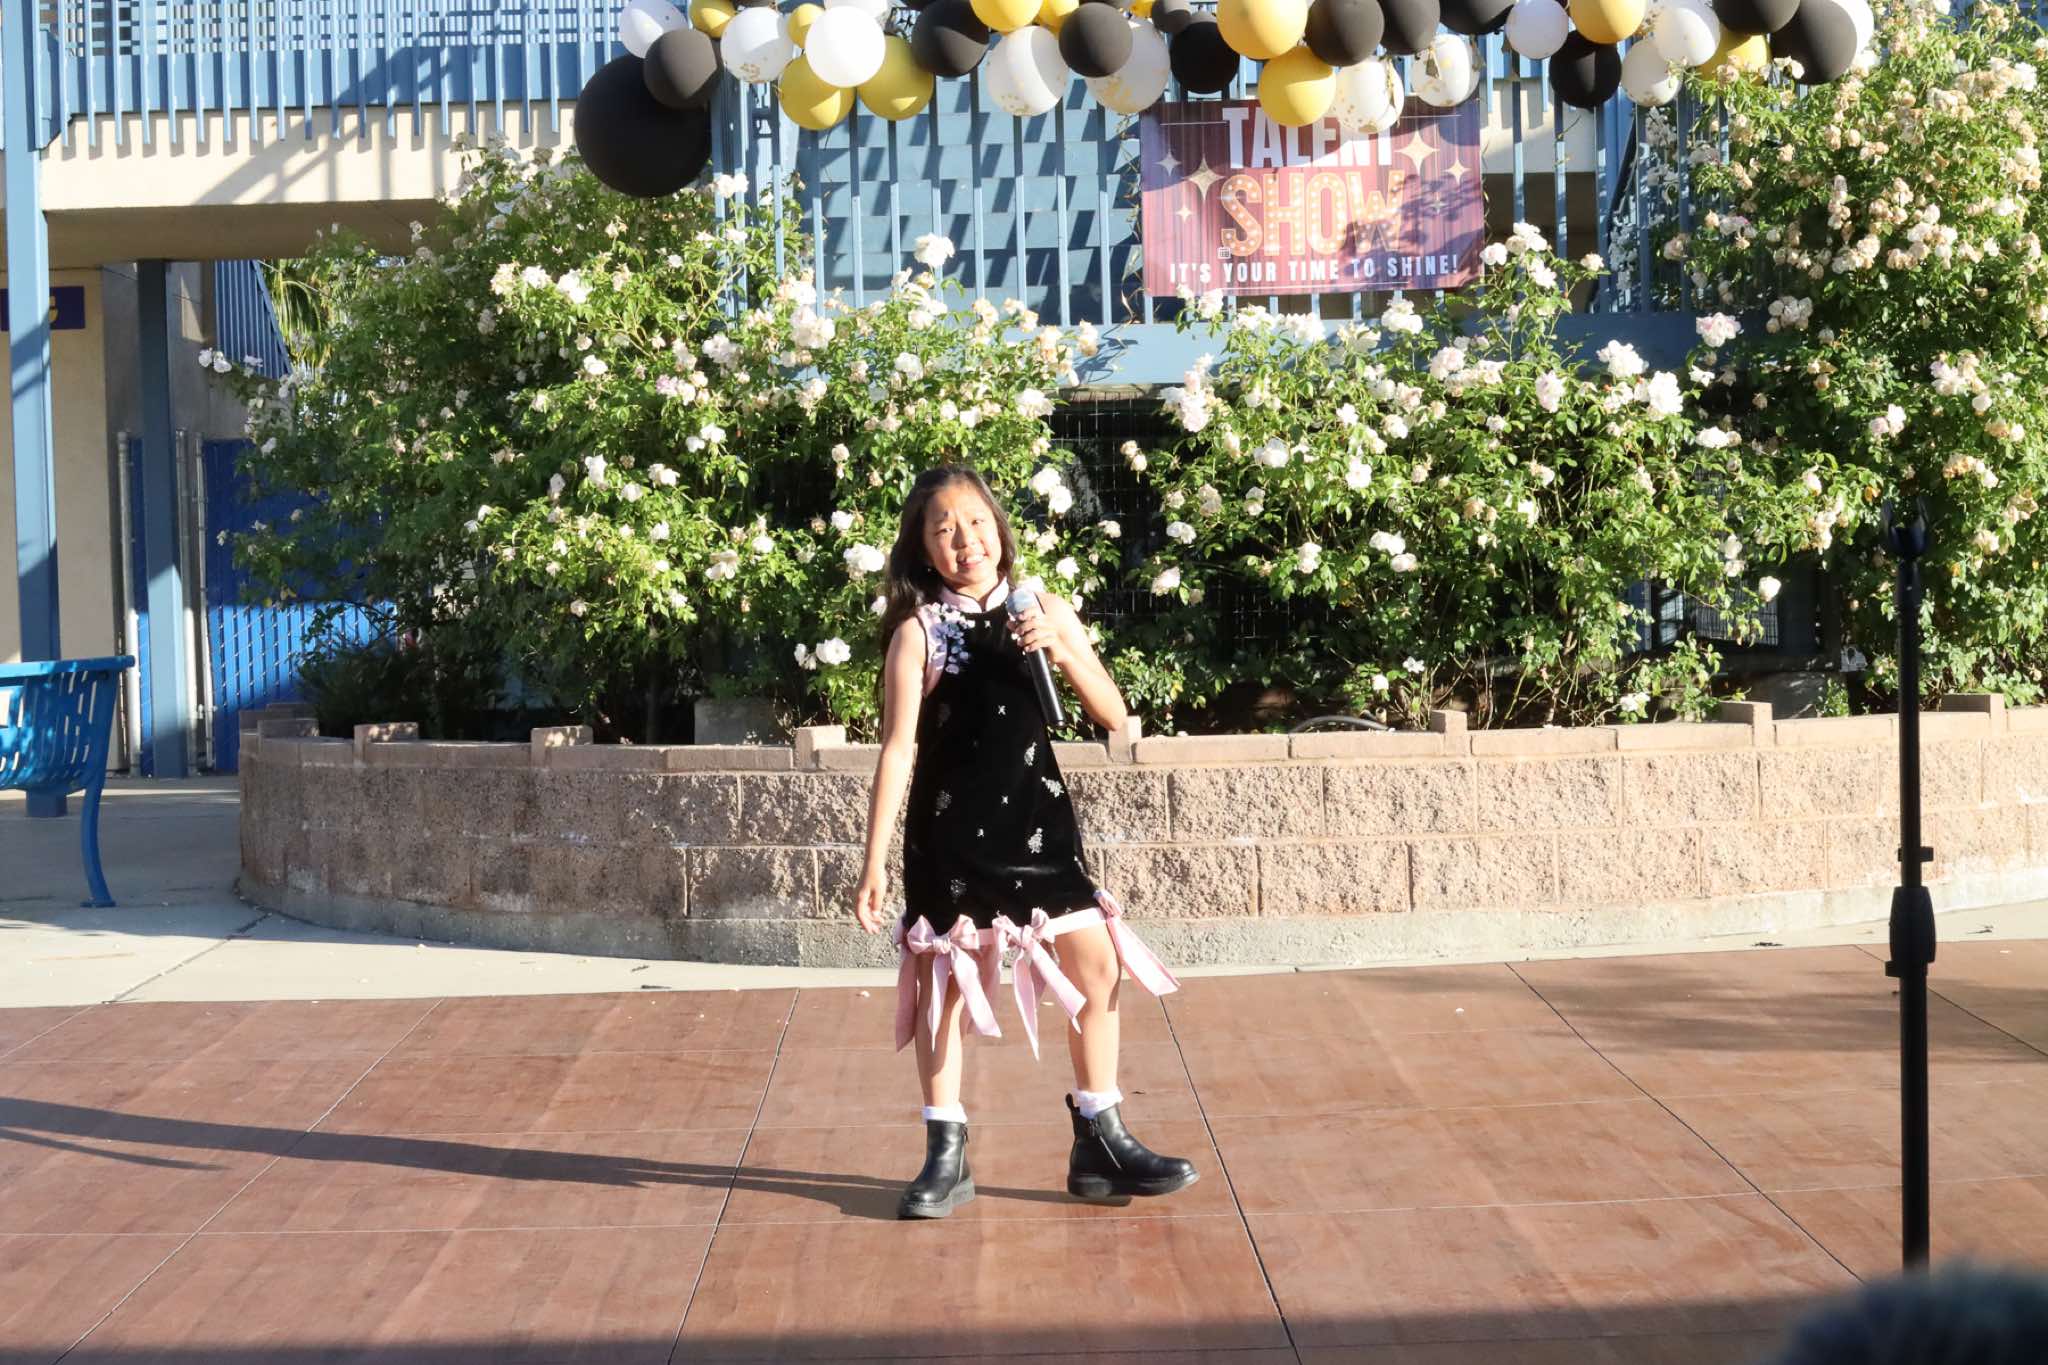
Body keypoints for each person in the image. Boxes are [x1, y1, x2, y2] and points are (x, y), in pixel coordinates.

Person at [852, 463, 1198, 1220]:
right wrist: (872, 861)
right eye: (943, 529)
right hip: (950, 836)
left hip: (1039, 826)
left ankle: (1100, 1137)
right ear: (923, 548)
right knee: (945, 987)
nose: (964, 540)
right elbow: (898, 749)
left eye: (975, 521)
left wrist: (1063, 650)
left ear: (999, 528)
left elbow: (1114, 714)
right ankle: (945, 1152)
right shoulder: (919, 632)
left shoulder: (1042, 608)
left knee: (1096, 964)